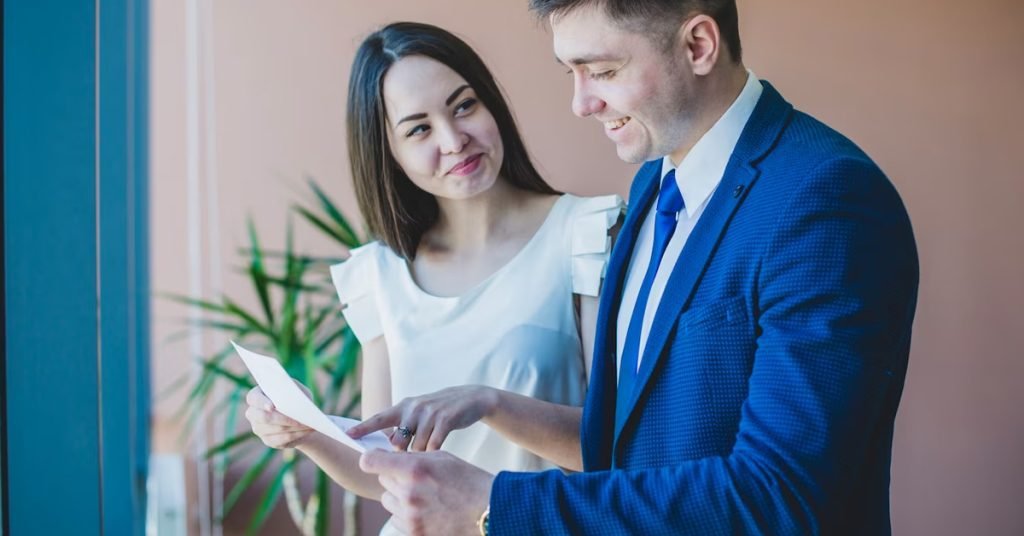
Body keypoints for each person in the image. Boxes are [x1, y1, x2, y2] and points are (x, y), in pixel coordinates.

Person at [354, 1, 920, 534]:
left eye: (600, 70)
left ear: (698, 45)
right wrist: (493, 404)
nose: (581, 103)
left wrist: (493, 505)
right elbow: (621, 447)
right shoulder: (653, 182)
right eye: (569, 72)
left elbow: (780, 494)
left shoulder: (826, 199)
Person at [242, 21, 623, 535]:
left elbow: (615, 442)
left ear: (491, 105)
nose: (453, 139)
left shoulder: (584, 235)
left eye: (464, 105)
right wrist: (303, 431)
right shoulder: (380, 274)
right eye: (418, 128)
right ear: (389, 153)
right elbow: (380, 468)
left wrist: (489, 402)